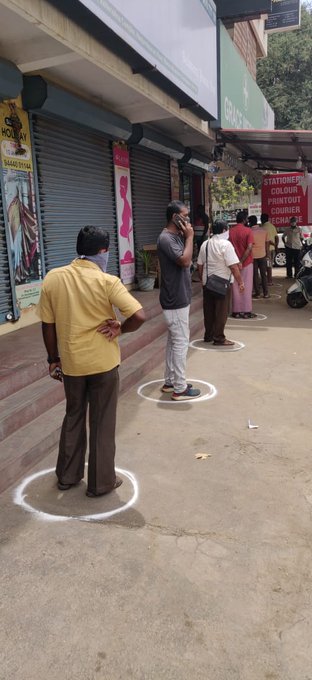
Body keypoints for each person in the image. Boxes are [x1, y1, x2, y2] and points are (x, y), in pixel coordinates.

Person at [37, 225, 145, 497]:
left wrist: (53, 359)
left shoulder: (53, 278)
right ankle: (101, 483)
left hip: (72, 364)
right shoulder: (107, 281)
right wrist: (121, 327)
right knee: (102, 421)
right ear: (103, 252)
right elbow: (139, 316)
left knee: (73, 415)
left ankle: (67, 476)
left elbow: (47, 324)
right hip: (103, 363)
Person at [157, 201, 201, 401]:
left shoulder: (175, 237)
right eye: (186, 215)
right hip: (175, 299)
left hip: (177, 297)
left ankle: (170, 381)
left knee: (173, 342)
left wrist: (186, 237)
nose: (189, 219)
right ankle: (180, 388)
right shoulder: (166, 238)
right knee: (181, 342)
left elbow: (187, 260)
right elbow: (185, 261)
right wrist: (190, 237)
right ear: (176, 217)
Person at [197, 220, 245, 346]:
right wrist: (240, 282)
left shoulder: (205, 244)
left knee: (209, 311)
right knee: (221, 312)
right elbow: (233, 267)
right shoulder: (226, 244)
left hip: (208, 282)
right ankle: (219, 338)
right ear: (224, 230)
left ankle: (208, 335)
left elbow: (200, 265)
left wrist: (203, 280)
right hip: (222, 283)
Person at [229, 211, 255, 319]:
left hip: (233, 262)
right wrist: (242, 261)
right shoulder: (248, 231)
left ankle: (236, 311)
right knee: (247, 287)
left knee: (235, 286)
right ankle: (246, 311)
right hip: (247, 262)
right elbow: (249, 247)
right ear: (245, 219)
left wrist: (237, 261)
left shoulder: (230, 232)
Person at [249, 215, 270, 298]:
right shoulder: (264, 230)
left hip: (253, 256)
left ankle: (257, 292)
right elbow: (267, 244)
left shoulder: (249, 231)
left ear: (250, 222)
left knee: (255, 275)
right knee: (263, 274)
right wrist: (268, 254)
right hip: (262, 255)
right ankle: (266, 293)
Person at [261, 213, 278, 286]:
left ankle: (267, 281)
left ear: (262, 219)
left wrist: (273, 244)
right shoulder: (272, 226)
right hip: (272, 249)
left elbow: (266, 240)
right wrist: (276, 246)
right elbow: (276, 237)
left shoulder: (262, 227)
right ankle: (269, 280)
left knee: (265, 266)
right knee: (269, 265)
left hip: (266, 249)